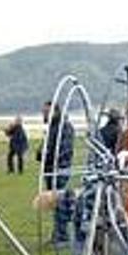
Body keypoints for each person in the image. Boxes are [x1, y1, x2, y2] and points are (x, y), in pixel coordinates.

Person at [41, 101, 75, 244]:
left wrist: (47, 155)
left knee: (59, 202)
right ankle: (58, 234)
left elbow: (64, 150)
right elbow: (47, 146)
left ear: (55, 111)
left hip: (59, 169)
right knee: (54, 203)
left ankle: (62, 236)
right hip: (51, 169)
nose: (44, 115)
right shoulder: (53, 128)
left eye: (46, 112)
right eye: (43, 112)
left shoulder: (64, 127)